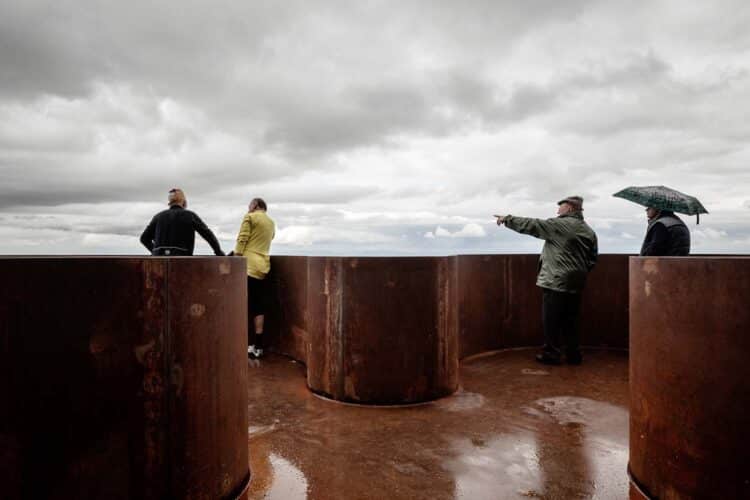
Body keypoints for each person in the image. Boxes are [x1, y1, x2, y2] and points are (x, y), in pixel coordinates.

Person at [495, 196, 598, 365]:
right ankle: (574, 355)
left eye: (560, 207)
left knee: (552, 320)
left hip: (555, 281)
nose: (557, 210)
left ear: (570, 208)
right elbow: (592, 258)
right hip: (576, 282)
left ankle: (552, 354)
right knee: (571, 320)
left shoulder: (559, 225)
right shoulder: (589, 231)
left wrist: (507, 219)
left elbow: (532, 225)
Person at [233, 198, 275, 359]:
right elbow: (268, 240)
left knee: (246, 306)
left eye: (249, 205)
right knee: (258, 306)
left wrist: (236, 256)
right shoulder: (271, 222)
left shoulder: (250, 217)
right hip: (263, 266)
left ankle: (248, 345)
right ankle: (258, 345)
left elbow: (242, 238)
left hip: (248, 266)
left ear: (256, 205)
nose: (248, 208)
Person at [140, 188, 225, 256]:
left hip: (158, 262)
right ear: (183, 201)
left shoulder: (158, 217)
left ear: (170, 202)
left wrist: (156, 252)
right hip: (182, 263)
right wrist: (219, 253)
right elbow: (208, 235)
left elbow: (144, 238)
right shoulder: (189, 215)